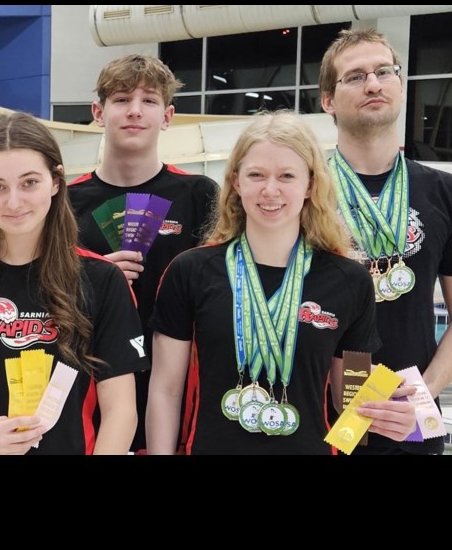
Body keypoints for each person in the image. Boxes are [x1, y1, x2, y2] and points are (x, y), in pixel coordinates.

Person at [146, 112, 416, 454]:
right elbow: (165, 390)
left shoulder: (350, 280)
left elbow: (348, 396)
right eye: (256, 174)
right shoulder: (191, 271)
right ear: (236, 182)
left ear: (310, 185)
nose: (269, 190)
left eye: (287, 175)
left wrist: (391, 414)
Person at [0, 112, 147, 455]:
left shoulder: (100, 278)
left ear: (55, 181)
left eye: (29, 182)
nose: (14, 201)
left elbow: (120, 410)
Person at [319, 28, 452, 454]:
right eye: (355, 76)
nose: (372, 83)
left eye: (384, 71)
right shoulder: (305, 191)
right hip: (317, 419)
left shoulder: (447, 193)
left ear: (400, 86)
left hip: (412, 421)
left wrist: (423, 389)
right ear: (328, 100)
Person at [68, 54, 219, 453]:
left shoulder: (200, 194)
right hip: (91, 384)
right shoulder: (65, 202)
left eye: (149, 100)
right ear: (98, 113)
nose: (135, 111)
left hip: (177, 386)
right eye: (121, 99)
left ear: (167, 115)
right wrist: (94, 278)